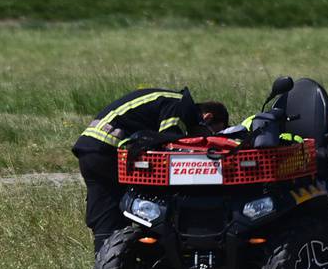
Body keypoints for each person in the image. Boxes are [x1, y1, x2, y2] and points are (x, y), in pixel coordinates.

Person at [72, 88, 231, 244]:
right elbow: (170, 143)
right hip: (110, 150)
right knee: (149, 201)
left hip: (89, 150)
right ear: (207, 117)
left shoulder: (168, 99)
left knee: (107, 216)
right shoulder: (178, 104)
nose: (207, 138)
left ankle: (105, 263)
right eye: (212, 133)